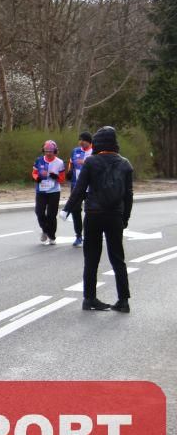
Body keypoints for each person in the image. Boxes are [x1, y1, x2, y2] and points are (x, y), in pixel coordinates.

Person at [63, 126, 134, 313]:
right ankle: (123, 301)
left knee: (92, 258)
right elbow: (128, 195)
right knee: (118, 258)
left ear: (97, 143)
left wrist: (67, 209)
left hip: (93, 214)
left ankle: (89, 299)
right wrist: (125, 218)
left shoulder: (91, 162)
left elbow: (79, 189)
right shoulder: (125, 164)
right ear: (115, 142)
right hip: (115, 215)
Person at [31, 140, 66, 245]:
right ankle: (45, 230)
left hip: (54, 191)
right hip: (41, 191)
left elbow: (62, 179)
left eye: (50, 151)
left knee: (51, 215)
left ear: (55, 151)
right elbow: (34, 173)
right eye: (46, 151)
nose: (48, 153)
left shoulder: (59, 162)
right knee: (39, 212)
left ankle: (52, 236)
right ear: (43, 151)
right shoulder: (39, 160)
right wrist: (36, 178)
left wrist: (55, 176)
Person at [66, 131, 93, 247]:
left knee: (90, 211)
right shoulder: (75, 151)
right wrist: (69, 172)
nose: (81, 142)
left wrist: (85, 162)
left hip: (91, 187)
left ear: (89, 142)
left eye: (84, 140)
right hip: (76, 185)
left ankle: (89, 234)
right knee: (75, 210)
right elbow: (71, 163)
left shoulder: (95, 151)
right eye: (80, 140)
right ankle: (78, 235)